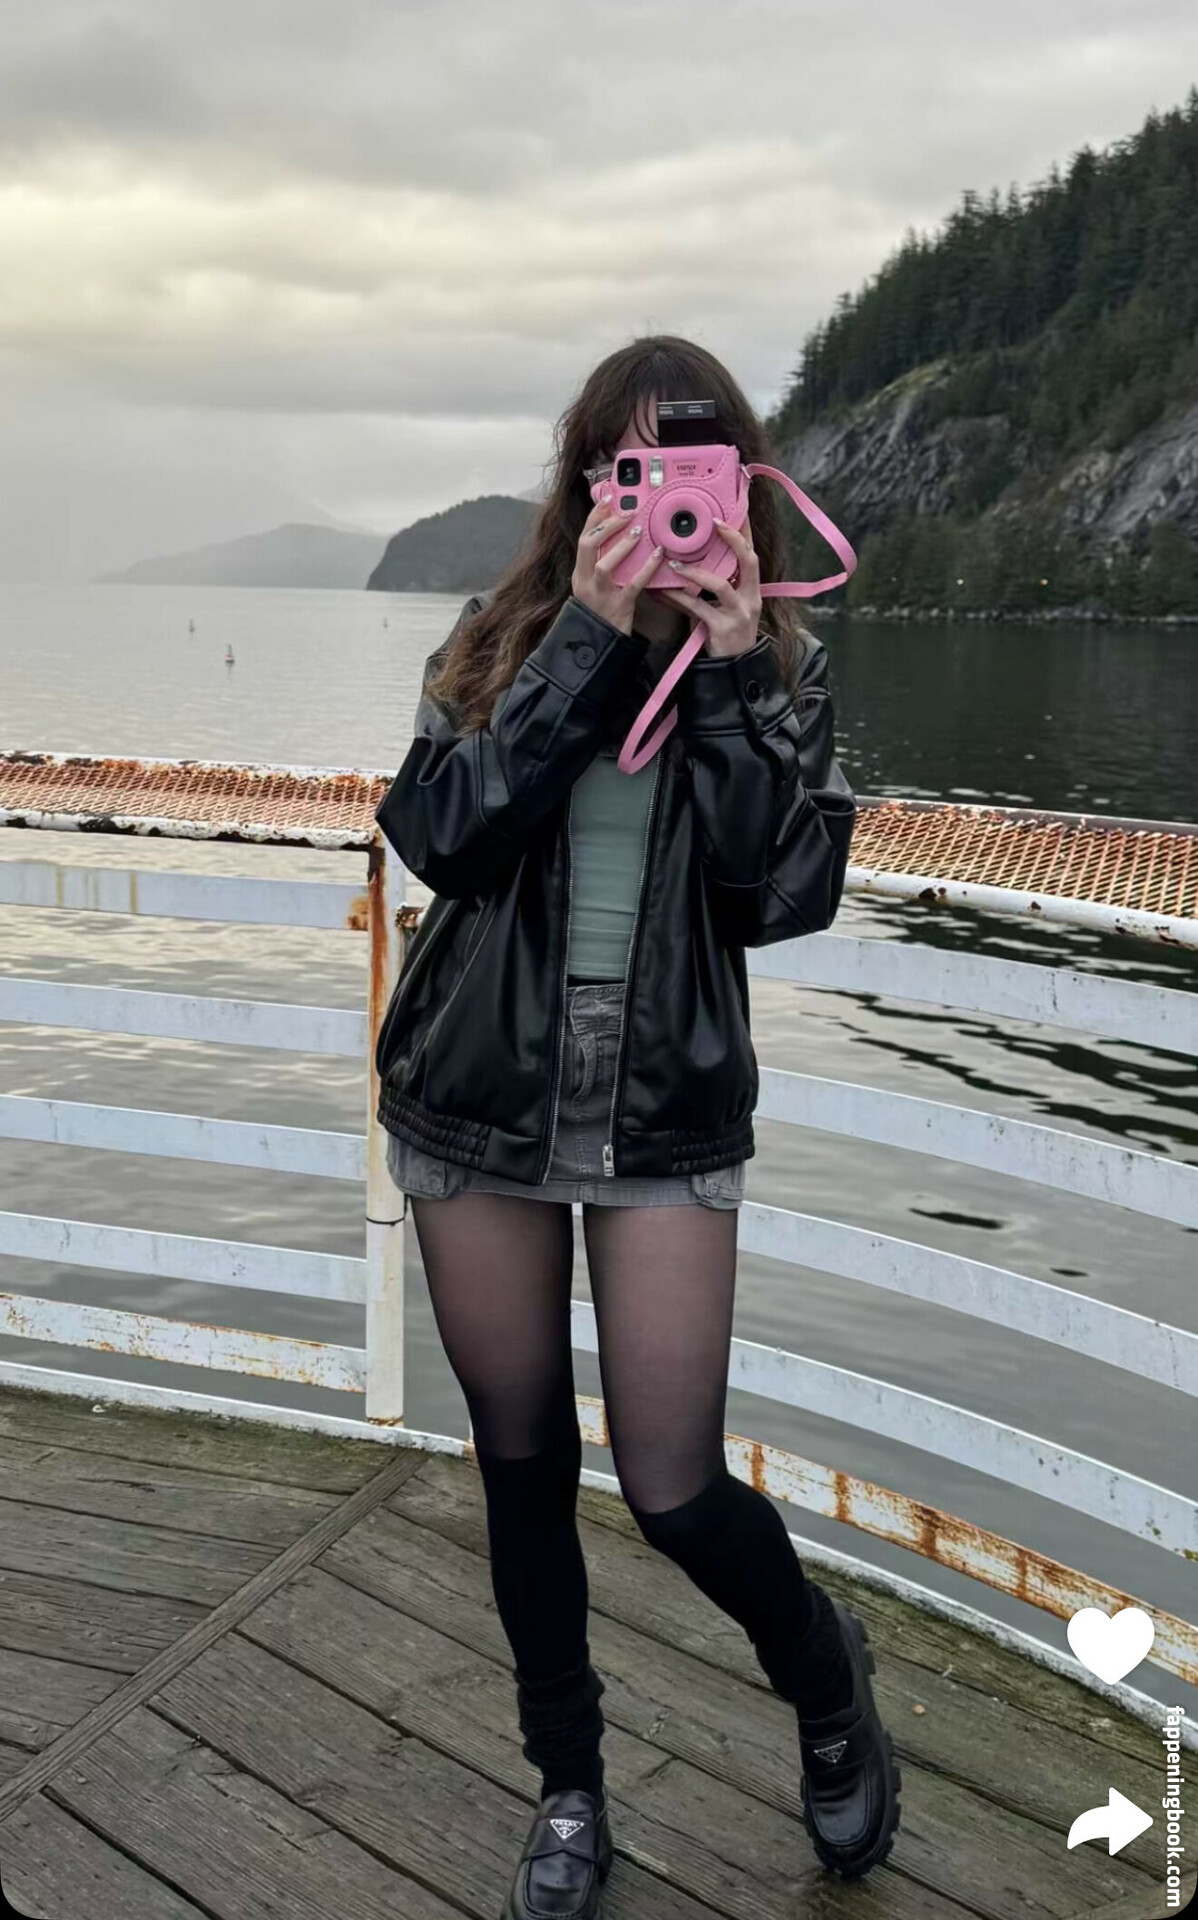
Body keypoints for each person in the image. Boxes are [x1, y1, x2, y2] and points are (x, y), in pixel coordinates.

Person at [374, 335, 900, 1916]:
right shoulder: (498, 640)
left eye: (686, 466)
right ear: (586, 480)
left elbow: (779, 896)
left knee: (672, 1486)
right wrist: (588, 639)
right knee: (523, 1465)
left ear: (739, 483)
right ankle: (568, 1788)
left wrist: (729, 677)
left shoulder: (779, 663)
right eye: (627, 466)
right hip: (482, 1089)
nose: (656, 497)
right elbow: (446, 843)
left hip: (662, 1100)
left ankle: (821, 1672)